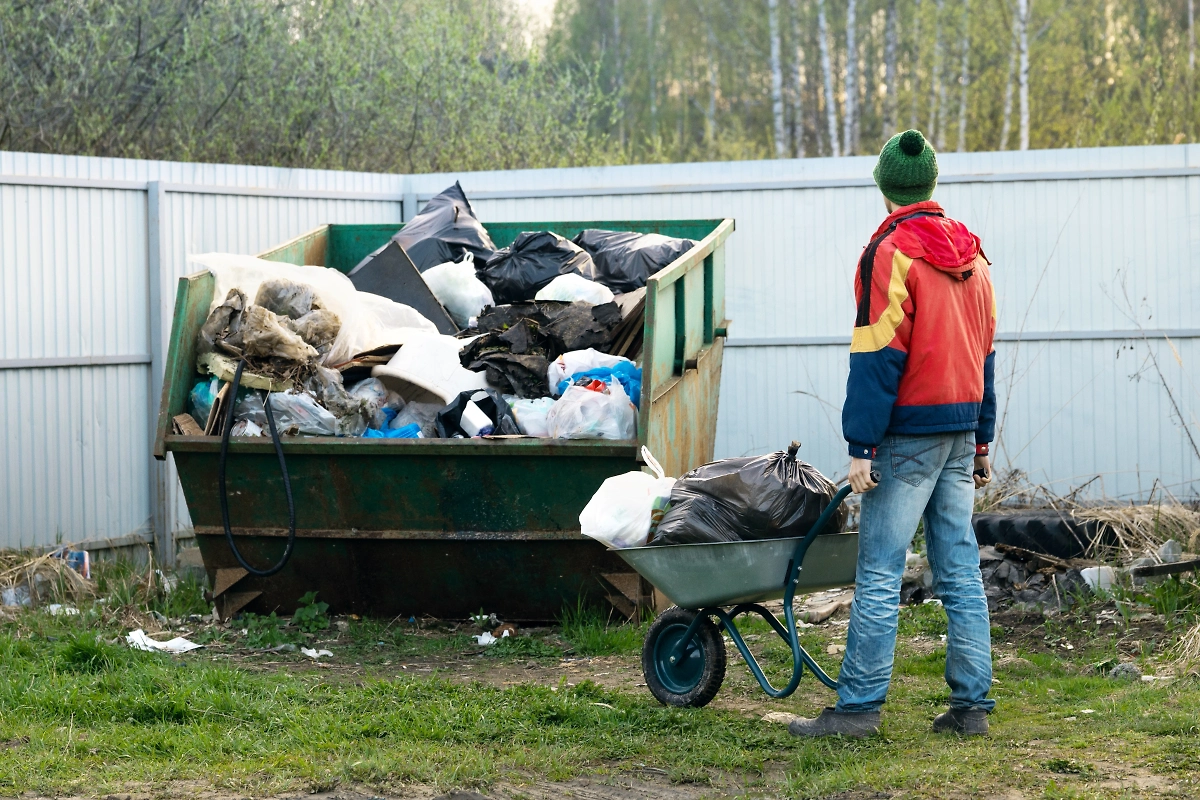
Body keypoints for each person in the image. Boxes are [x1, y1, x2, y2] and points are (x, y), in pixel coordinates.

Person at [790, 129, 997, 739]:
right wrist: (982, 440)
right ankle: (971, 709)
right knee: (959, 569)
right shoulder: (976, 256)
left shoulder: (891, 252)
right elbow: (986, 355)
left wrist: (861, 444)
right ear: (931, 185)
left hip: (907, 436)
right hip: (960, 429)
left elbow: (877, 353)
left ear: (885, 189)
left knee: (880, 570)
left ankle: (856, 711)